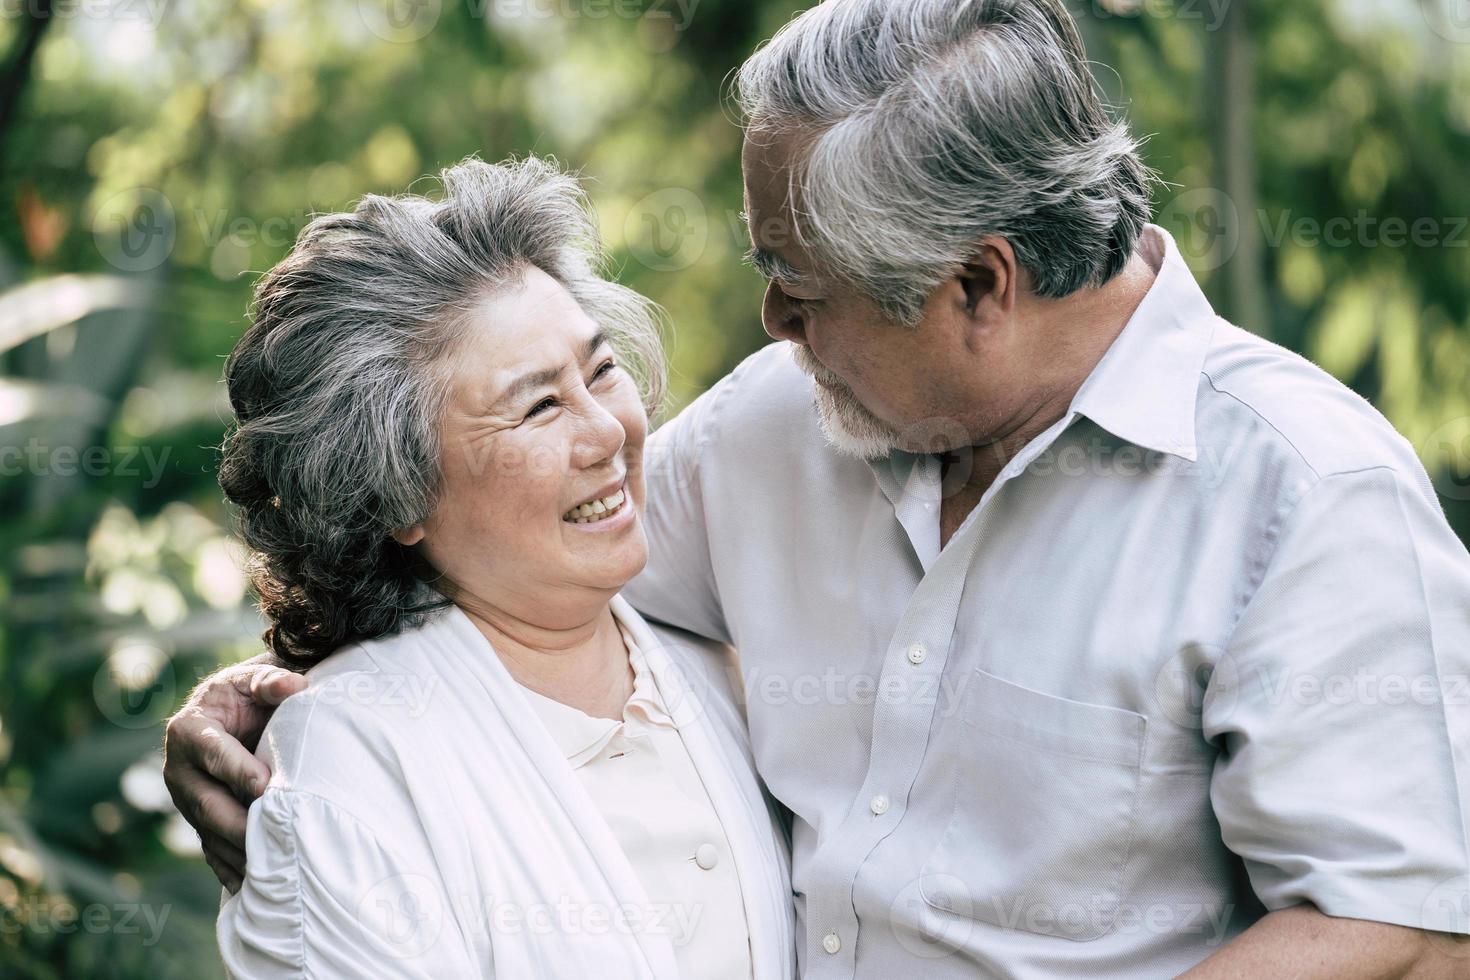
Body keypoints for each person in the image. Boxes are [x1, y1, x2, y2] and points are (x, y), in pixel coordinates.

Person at [170, 1, 1470, 976]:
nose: (767, 318)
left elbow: (1395, 919)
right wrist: (275, 696)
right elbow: (500, 566)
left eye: (803, 281)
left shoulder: (1305, 497)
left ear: (978, 285)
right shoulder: (774, 425)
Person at [204, 155, 794, 978]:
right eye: (539, 406)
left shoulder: (715, 664)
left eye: (601, 371)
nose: (607, 434)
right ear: (396, 494)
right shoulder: (349, 768)